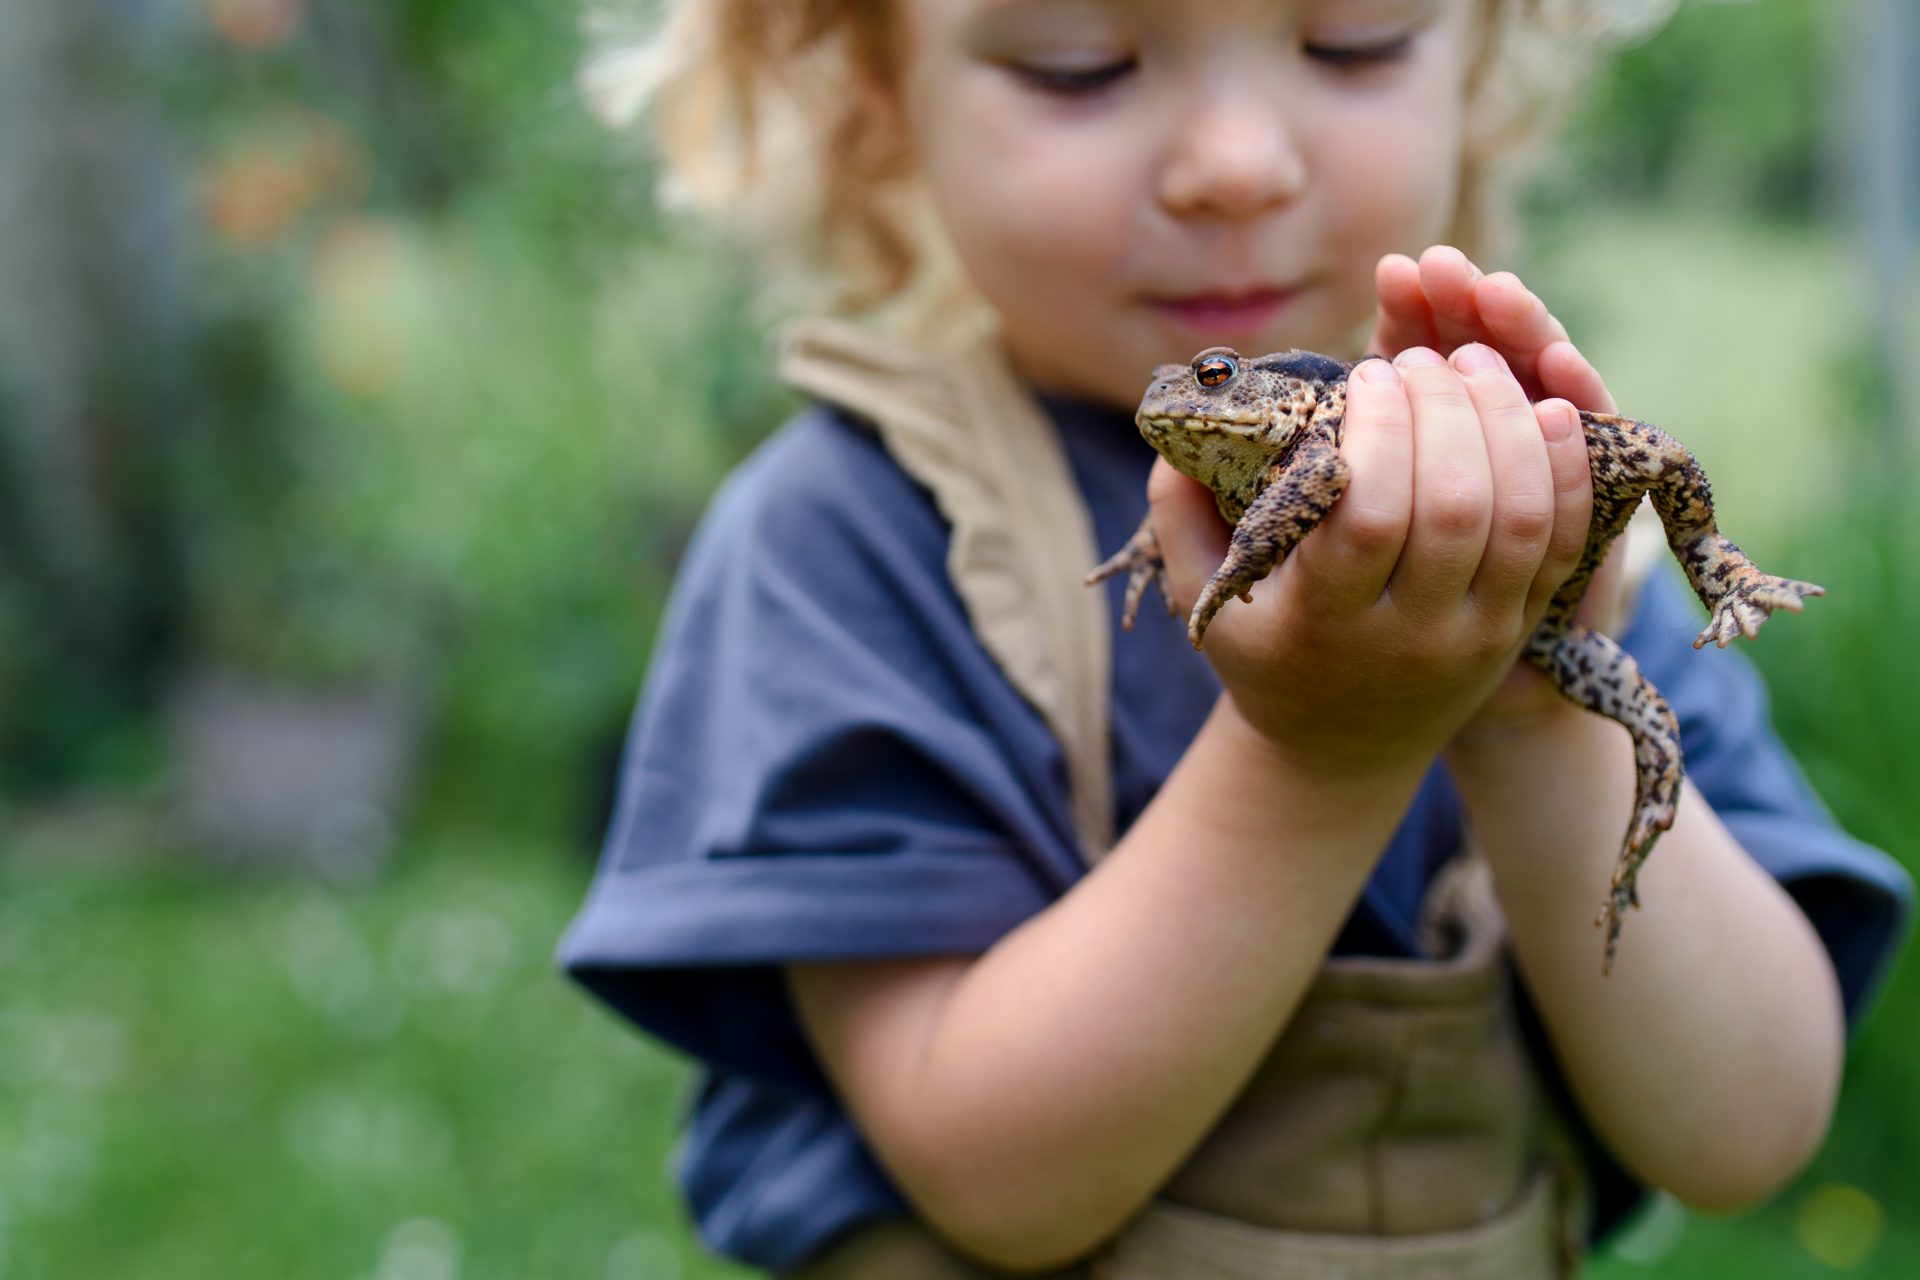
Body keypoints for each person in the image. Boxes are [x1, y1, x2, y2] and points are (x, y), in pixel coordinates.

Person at [558, 2, 1912, 1276]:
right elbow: (997, 1185)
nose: (1235, 168)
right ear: (875, 96)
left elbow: (1744, 1130)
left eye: (1350, 40)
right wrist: (1320, 756)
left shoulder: (1538, 523)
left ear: (1480, 57)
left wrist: (1525, 692)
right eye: (1082, 61)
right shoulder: (844, 542)